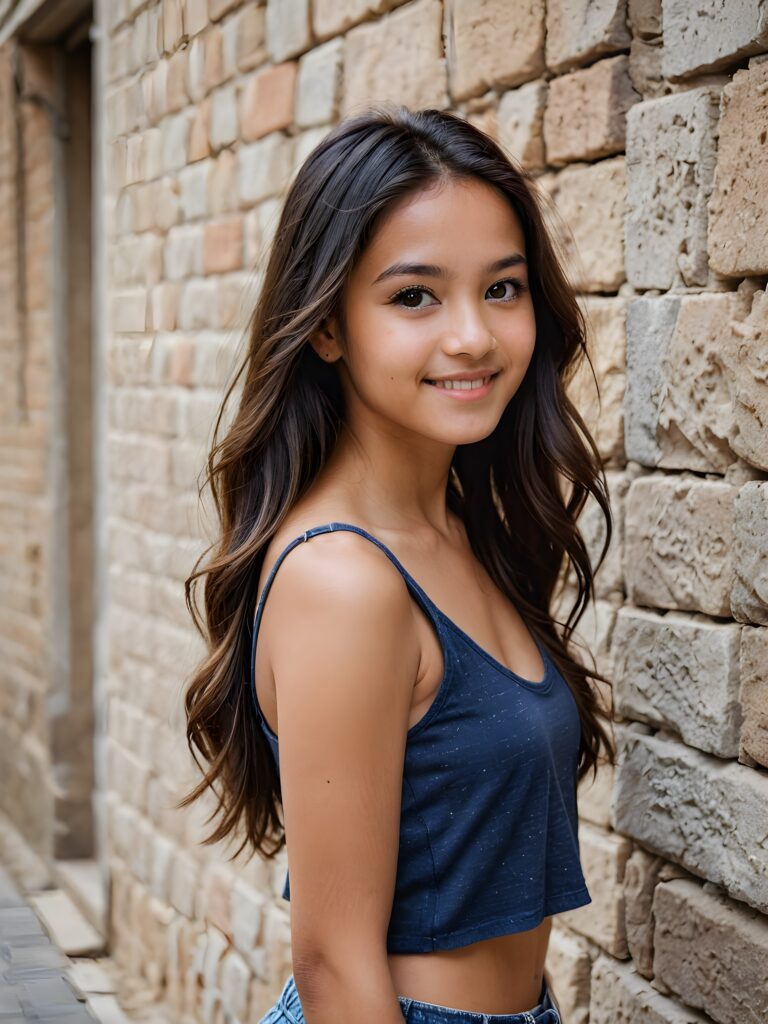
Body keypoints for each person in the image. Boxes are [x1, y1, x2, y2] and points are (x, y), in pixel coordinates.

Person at [180, 104, 616, 1024]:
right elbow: (336, 963)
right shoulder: (345, 582)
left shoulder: (462, 529)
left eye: (502, 289)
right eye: (414, 296)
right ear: (328, 326)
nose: (473, 336)